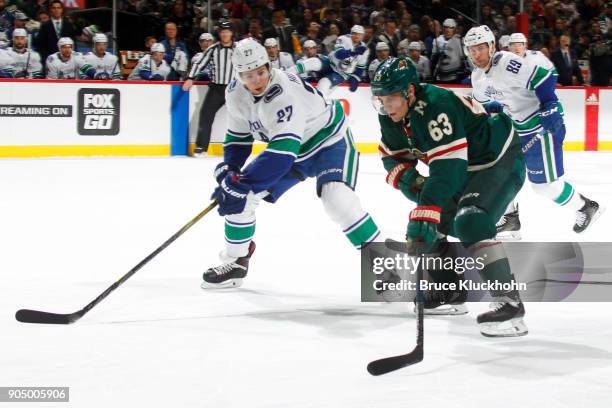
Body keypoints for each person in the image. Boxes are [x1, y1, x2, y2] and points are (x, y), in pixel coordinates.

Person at [202, 38, 380, 289]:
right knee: (244, 196)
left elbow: (281, 154)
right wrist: (231, 172)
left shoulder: (283, 91)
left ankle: (388, 267)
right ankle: (236, 261)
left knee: (337, 200)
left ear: (269, 66)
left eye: (261, 72)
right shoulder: (234, 93)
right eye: (249, 75)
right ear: (238, 75)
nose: (257, 80)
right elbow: (238, 138)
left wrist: (239, 184)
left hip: (329, 142)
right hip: (293, 152)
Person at [371, 57, 527, 336]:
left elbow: (449, 168)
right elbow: (392, 158)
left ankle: (510, 305)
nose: (386, 106)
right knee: (437, 217)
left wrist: (425, 208)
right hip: (461, 166)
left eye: (391, 98)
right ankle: (449, 293)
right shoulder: (389, 114)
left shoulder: (436, 105)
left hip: (497, 159)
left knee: (470, 220)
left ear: (410, 90)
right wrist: (412, 182)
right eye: (380, 99)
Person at [465, 25, 602, 237]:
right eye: (471, 50)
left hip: (541, 125)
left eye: (480, 48)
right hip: (517, 128)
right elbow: (488, 103)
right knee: (500, 172)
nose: (476, 54)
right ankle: (510, 217)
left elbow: (544, 78)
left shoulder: (506, 62)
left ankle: (585, 207)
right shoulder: (478, 77)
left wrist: (550, 104)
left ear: (492, 46)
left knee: (544, 187)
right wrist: (491, 110)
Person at [183, 21, 235, 156]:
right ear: (220, 33)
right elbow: (199, 64)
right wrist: (190, 78)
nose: (225, 34)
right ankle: (201, 147)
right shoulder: (213, 49)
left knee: (242, 117)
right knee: (205, 115)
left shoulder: (239, 49)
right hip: (216, 88)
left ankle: (244, 146)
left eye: (227, 31)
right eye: (222, 31)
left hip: (234, 89)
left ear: (231, 33)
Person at [317, 24, 369, 98]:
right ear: (350, 34)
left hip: (341, 73)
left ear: (362, 36)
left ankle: (321, 102)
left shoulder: (365, 50)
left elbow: (360, 67)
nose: (356, 36)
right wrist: (353, 52)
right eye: (354, 33)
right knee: (314, 62)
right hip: (330, 63)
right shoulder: (343, 38)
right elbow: (338, 54)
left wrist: (355, 78)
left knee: (324, 83)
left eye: (359, 34)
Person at [431, 18, 465, 83]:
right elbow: (433, 60)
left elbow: (464, 58)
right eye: (446, 28)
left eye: (451, 28)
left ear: (455, 29)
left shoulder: (460, 40)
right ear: (443, 29)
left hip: (456, 77)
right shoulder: (437, 41)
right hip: (441, 77)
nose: (448, 30)